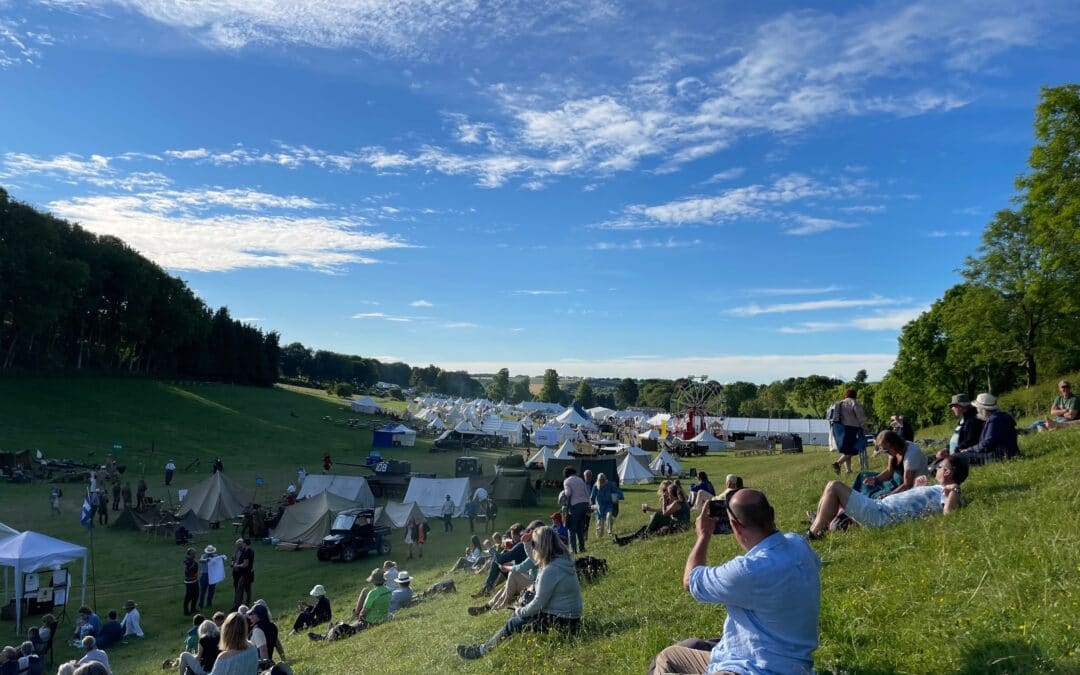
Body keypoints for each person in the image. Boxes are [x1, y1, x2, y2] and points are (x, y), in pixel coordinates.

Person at [651, 489, 820, 674]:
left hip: (752, 668)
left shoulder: (748, 570)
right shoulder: (799, 544)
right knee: (681, 651)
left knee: (667, 659)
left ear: (736, 527)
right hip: (796, 666)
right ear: (772, 514)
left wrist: (703, 535)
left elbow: (690, 580)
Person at [457, 525, 583, 660]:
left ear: (542, 545)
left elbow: (539, 603)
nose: (533, 548)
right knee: (519, 615)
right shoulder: (561, 559)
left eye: (534, 543)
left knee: (514, 622)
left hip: (563, 621)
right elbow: (534, 560)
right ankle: (485, 644)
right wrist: (528, 542)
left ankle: (482, 651)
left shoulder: (550, 570)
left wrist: (519, 611)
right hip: (572, 617)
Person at [808, 456, 969, 538]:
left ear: (947, 472)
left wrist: (955, 489)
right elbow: (915, 504)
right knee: (830, 492)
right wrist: (917, 489)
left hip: (881, 515)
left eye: (940, 466)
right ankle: (818, 524)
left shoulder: (948, 492)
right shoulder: (937, 488)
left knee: (834, 486)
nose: (937, 468)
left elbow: (949, 514)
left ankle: (813, 535)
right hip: (879, 508)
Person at [938, 393, 1019, 464]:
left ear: (982, 409)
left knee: (957, 457)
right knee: (958, 456)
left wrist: (968, 450)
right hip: (1005, 453)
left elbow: (987, 444)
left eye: (977, 407)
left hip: (999, 456)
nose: (976, 410)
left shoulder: (994, 420)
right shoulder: (1000, 417)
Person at [863, 430, 928, 497]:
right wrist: (875, 479)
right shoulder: (894, 450)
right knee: (863, 478)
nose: (886, 453)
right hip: (898, 482)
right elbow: (889, 471)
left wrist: (888, 496)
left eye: (886, 451)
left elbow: (908, 484)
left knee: (876, 498)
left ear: (894, 445)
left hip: (913, 488)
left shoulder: (911, 454)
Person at [830, 388, 866, 475]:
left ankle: (848, 470)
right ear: (855, 395)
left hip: (837, 428)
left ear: (845, 395)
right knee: (853, 449)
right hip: (851, 429)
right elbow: (861, 417)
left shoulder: (838, 403)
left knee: (846, 450)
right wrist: (865, 427)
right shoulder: (854, 403)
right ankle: (838, 463)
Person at [562, 467, 590, 554]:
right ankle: (582, 548)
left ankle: (573, 550)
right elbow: (586, 492)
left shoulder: (567, 481)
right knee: (579, 528)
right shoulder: (580, 480)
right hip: (585, 504)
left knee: (571, 528)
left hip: (575, 505)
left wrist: (563, 493)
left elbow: (568, 493)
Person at [247, 604, 284, 669]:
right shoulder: (273, 626)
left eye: (251, 614)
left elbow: (263, 651)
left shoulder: (257, 630)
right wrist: (283, 657)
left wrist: (264, 670)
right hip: (269, 661)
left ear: (257, 615)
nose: (250, 617)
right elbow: (277, 643)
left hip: (259, 666)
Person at [232, 539, 254, 610]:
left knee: (239, 589)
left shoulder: (247, 552)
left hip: (245, 574)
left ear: (245, 543)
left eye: (243, 543)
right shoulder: (251, 551)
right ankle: (247, 602)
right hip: (249, 572)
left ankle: (237, 605)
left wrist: (236, 565)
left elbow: (245, 564)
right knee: (248, 588)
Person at [198, 545, 221, 609]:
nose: (210, 553)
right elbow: (200, 560)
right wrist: (206, 560)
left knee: (211, 590)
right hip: (205, 574)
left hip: (212, 575)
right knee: (203, 591)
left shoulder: (215, 556)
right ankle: (201, 604)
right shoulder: (203, 556)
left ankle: (209, 603)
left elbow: (219, 560)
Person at [183, 548, 200, 615]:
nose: (194, 555)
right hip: (190, 582)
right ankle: (186, 611)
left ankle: (193, 608)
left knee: (196, 596)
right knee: (188, 596)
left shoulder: (192, 561)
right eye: (193, 553)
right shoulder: (187, 561)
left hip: (194, 580)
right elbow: (187, 569)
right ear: (190, 554)